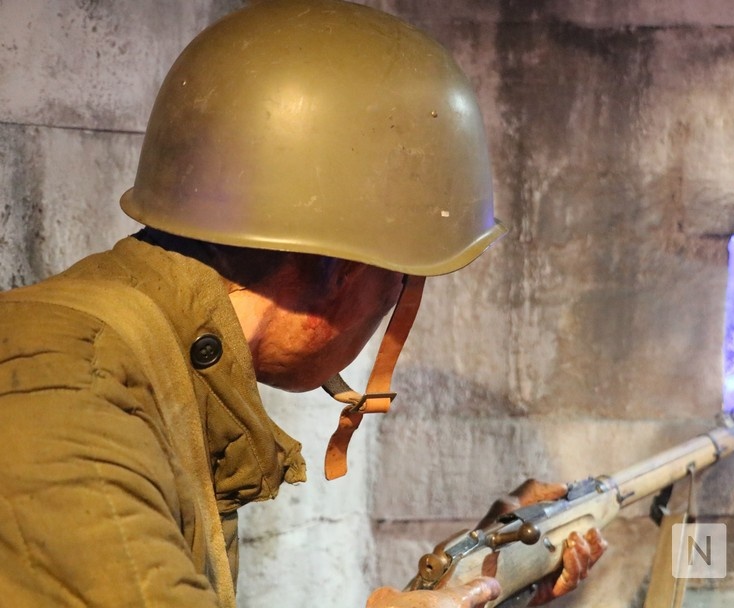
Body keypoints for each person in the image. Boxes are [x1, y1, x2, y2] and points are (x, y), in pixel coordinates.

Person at [0, 0, 604, 606]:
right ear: (347, 268)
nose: (386, 310)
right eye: (398, 285)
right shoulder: (63, 390)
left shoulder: (135, 373)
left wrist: (466, 568)